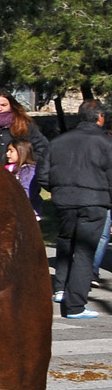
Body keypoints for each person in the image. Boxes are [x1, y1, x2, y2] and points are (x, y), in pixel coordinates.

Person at [48, 100, 112, 318]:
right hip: (94, 201)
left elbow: (44, 173)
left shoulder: (58, 142)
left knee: (66, 244)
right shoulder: (106, 143)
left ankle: (61, 290)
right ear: (100, 117)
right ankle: (76, 305)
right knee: (84, 253)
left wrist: (58, 190)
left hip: (64, 200)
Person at [0, 89, 49, 214]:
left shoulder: (23, 124)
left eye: (3, 105)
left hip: (18, 178)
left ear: (11, 105)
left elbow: (42, 148)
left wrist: (26, 163)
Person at [5, 138, 38, 207]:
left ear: (22, 152)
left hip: (27, 209)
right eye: (8, 150)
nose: (7, 154)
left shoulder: (29, 170)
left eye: (11, 151)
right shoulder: (9, 168)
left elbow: (27, 191)